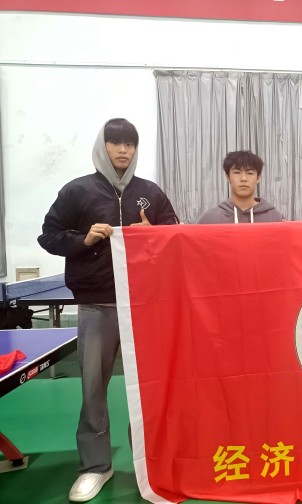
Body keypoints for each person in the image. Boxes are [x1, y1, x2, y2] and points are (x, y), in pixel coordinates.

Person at [37, 118, 180, 502]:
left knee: (148, 390)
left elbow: (174, 235)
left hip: (142, 307)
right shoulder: (77, 191)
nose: (123, 150)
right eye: (115, 143)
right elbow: (48, 235)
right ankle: (95, 467)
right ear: (103, 146)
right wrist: (82, 239)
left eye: (129, 144)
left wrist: (153, 235)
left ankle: (150, 465)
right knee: (93, 389)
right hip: (95, 305)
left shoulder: (149, 192)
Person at [197, 150, 284, 223]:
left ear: (258, 178)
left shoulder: (275, 218)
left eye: (250, 173)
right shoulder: (209, 219)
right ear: (228, 177)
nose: (243, 179)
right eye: (237, 172)